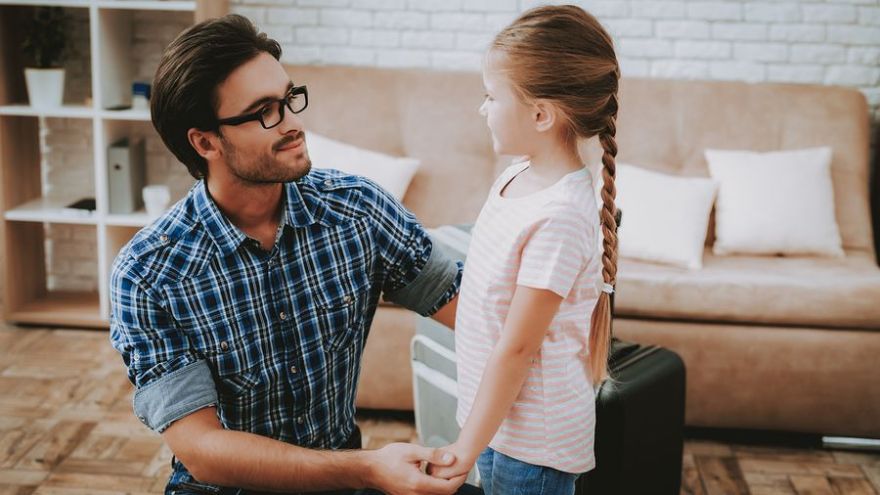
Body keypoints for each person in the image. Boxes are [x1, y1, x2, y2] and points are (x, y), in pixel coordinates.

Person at [108, 14, 479, 495]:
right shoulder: (148, 273)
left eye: (288, 100)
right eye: (265, 111)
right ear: (204, 142)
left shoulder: (358, 210)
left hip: (339, 476)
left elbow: (470, 309)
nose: (293, 124)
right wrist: (366, 468)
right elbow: (202, 450)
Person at [427, 5, 620, 494]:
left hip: (534, 447)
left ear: (540, 114)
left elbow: (516, 348)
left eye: (491, 96)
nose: (482, 108)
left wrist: (464, 447)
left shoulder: (560, 216)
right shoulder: (516, 175)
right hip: (497, 425)